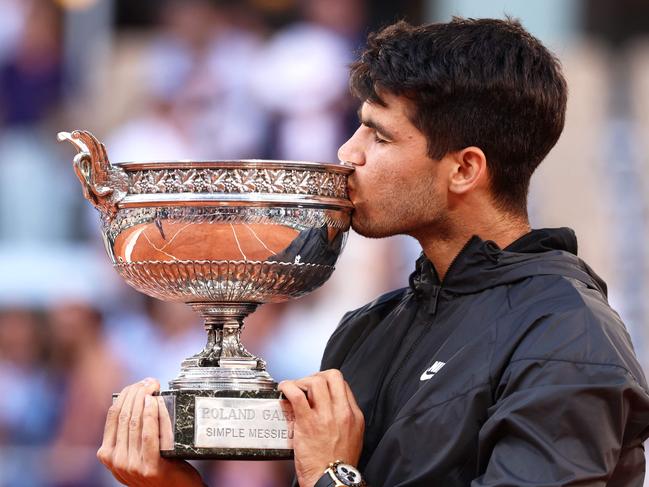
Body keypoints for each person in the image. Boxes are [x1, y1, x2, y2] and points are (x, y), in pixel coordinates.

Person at [96, 18, 649, 487]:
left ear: (464, 169)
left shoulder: (567, 336)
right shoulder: (368, 328)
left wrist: (332, 475)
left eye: (378, 137)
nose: (347, 153)